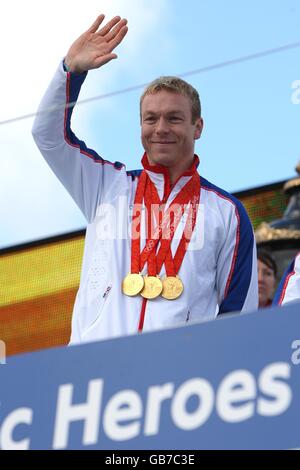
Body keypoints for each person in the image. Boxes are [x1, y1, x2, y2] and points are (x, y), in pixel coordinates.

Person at [32, 14, 258, 345]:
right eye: (150, 118)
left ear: (198, 127)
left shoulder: (226, 213)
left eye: (175, 118)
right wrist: (70, 71)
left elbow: (239, 316)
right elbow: (47, 136)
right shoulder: (107, 185)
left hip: (176, 381)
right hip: (91, 371)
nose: (161, 129)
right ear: (140, 125)